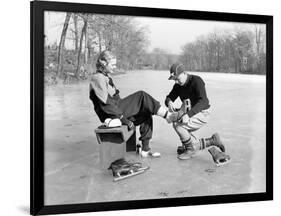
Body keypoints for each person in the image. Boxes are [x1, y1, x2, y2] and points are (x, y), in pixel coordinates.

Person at [89, 50, 179, 158]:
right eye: (112, 64)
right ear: (103, 63)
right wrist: (123, 119)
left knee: (146, 110)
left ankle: (145, 149)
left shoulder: (105, 77)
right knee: (142, 96)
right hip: (111, 115)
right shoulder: (97, 78)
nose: (115, 66)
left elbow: (114, 100)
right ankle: (167, 115)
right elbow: (106, 104)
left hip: (116, 110)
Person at [165, 63, 230, 163]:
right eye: (174, 79)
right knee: (178, 121)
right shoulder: (178, 85)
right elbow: (169, 97)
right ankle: (211, 141)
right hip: (189, 111)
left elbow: (204, 101)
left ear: (184, 73)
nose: (176, 81)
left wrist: (188, 115)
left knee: (178, 125)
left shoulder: (196, 81)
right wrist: (169, 102)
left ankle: (191, 149)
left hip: (202, 112)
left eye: (178, 78)